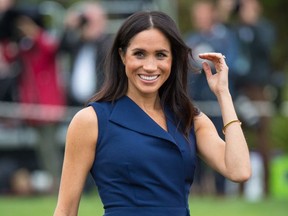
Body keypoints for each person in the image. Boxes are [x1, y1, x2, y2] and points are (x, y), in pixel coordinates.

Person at [53, 11, 251, 216]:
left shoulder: (189, 119)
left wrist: (224, 94)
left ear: (173, 59)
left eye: (160, 55)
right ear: (122, 55)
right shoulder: (91, 121)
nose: (149, 66)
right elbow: (65, 211)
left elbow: (239, 170)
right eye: (139, 54)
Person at [185, 0, 240, 196]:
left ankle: (221, 190)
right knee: (196, 145)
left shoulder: (225, 37)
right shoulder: (191, 39)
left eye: (203, 14)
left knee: (220, 143)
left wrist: (207, 63)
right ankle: (198, 188)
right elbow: (185, 66)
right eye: (197, 15)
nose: (199, 18)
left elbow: (232, 63)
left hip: (217, 102)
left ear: (211, 15)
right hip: (197, 102)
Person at [58, 1, 112, 106]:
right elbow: (61, 48)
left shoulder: (107, 43)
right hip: (74, 104)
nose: (88, 25)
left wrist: (96, 33)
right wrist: (69, 27)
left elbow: (106, 50)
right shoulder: (78, 44)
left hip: (99, 103)